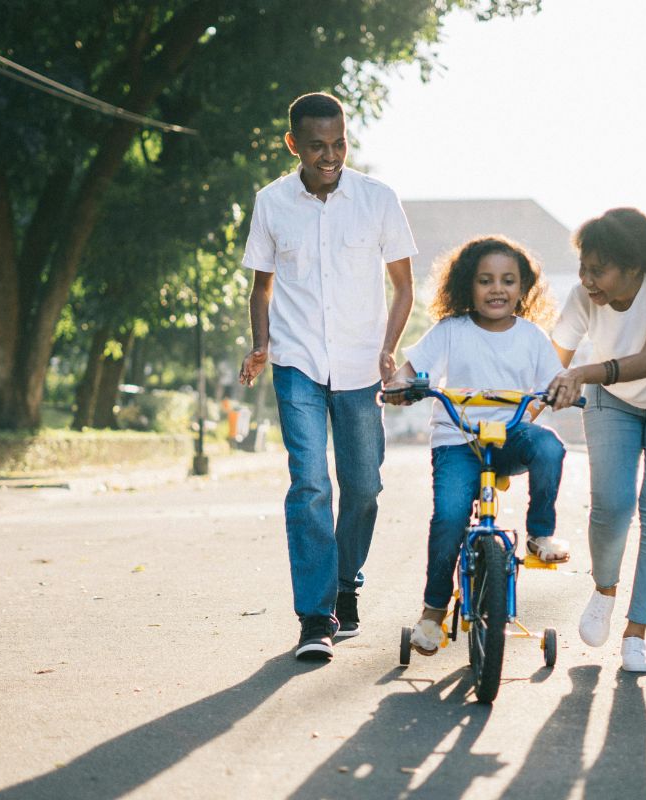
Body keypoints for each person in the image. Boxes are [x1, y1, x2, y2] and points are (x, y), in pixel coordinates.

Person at [237, 92, 417, 661]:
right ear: (293, 144)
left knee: (363, 487)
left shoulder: (378, 199)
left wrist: (388, 349)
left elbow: (404, 287)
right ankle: (315, 616)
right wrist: (261, 345)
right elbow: (261, 288)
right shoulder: (271, 203)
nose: (331, 156)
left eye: (339, 143)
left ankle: (345, 585)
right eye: (317, 146)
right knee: (310, 484)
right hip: (297, 363)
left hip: (362, 365)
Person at [385, 236, 569, 656]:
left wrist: (556, 395)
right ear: (468, 285)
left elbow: (553, 383)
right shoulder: (451, 330)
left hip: (509, 436)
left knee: (550, 447)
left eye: (508, 281)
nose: (497, 289)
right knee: (450, 517)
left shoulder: (532, 336)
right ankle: (433, 612)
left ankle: (540, 534)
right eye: (485, 280)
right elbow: (410, 370)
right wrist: (399, 385)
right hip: (457, 440)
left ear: (523, 288)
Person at [546, 207, 646, 674]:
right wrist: (521, 413)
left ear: (634, 266)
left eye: (598, 270)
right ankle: (604, 591)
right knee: (612, 504)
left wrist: (581, 373)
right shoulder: (583, 297)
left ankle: (636, 634)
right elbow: (550, 366)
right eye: (583, 267)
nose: (587, 280)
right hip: (612, 401)